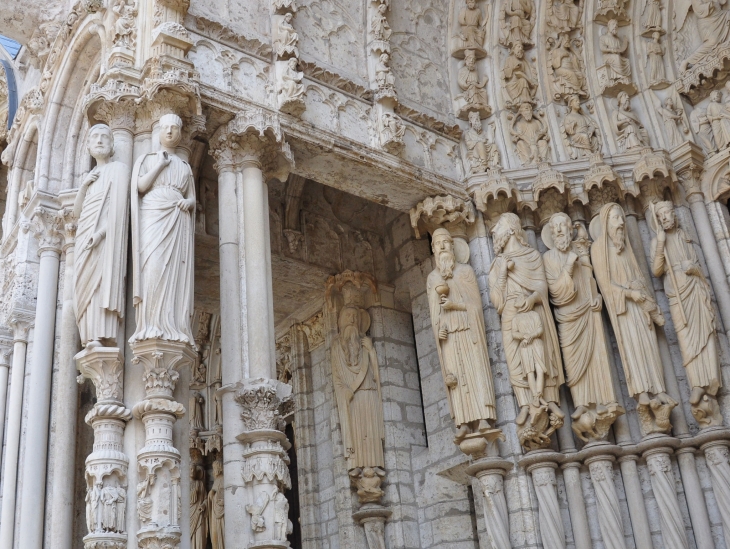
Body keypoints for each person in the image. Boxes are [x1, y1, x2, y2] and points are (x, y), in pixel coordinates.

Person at [130, 113, 196, 344]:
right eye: (165, 128)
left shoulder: (185, 166)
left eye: (174, 129)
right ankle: (150, 324)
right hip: (153, 215)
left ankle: (172, 325)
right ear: (158, 131)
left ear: (180, 133)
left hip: (177, 218)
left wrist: (188, 203)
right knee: (153, 267)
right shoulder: (148, 159)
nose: (169, 132)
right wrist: (159, 165)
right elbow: (140, 186)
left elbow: (192, 198)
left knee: (174, 273)